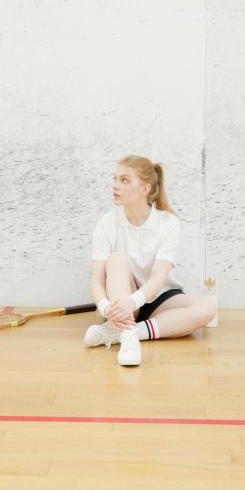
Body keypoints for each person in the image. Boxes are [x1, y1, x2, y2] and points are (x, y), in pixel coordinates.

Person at [83, 155, 217, 366]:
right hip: (122, 300)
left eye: (124, 180)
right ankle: (126, 336)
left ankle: (125, 332)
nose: (115, 186)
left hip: (156, 298)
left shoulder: (168, 223)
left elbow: (158, 277)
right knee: (116, 259)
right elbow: (97, 281)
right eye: (115, 179)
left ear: (145, 189)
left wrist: (132, 302)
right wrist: (105, 306)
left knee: (207, 308)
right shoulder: (106, 223)